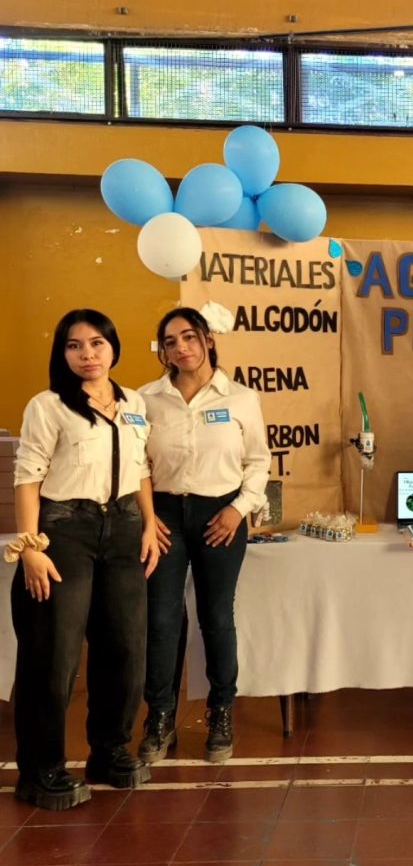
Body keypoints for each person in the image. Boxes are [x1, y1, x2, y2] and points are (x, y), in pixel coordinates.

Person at [7, 310, 159, 810]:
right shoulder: (48, 405)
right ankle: (41, 770)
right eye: (74, 346)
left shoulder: (134, 402)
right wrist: (31, 546)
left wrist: (149, 524)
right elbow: (28, 476)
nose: (87, 354)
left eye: (97, 343)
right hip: (63, 531)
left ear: (113, 347)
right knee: (53, 655)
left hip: (124, 530)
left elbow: (140, 468)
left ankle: (109, 751)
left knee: (125, 649)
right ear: (62, 353)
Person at [137, 307, 270, 764]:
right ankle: (160, 717)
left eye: (189, 337)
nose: (181, 348)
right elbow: (137, 463)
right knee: (161, 619)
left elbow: (258, 461)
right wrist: (148, 517)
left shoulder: (241, 398)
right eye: (170, 341)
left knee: (216, 616)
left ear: (208, 340)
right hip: (164, 517)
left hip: (222, 515)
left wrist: (238, 509)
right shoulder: (146, 399)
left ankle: (221, 713)